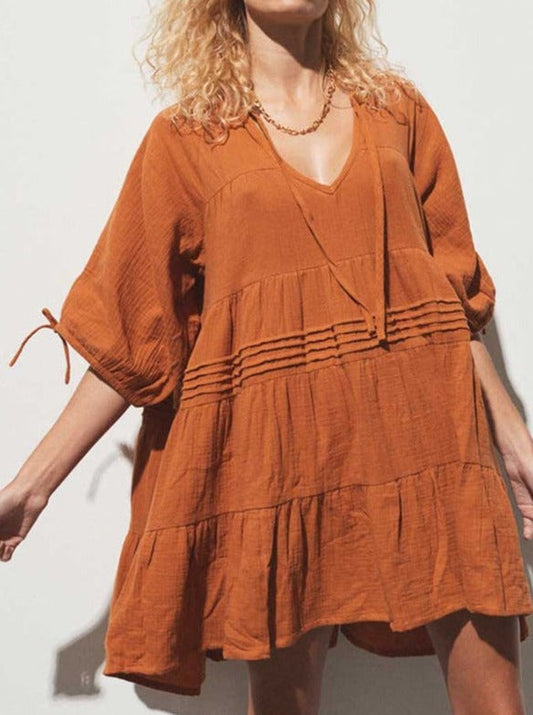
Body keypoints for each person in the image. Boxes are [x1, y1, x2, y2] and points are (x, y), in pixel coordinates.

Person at [4, 1, 533, 713]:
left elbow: (451, 296)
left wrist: (511, 434)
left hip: (430, 442)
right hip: (280, 462)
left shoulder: (397, 110)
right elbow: (133, 337)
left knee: (496, 704)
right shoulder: (187, 138)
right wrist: (33, 485)